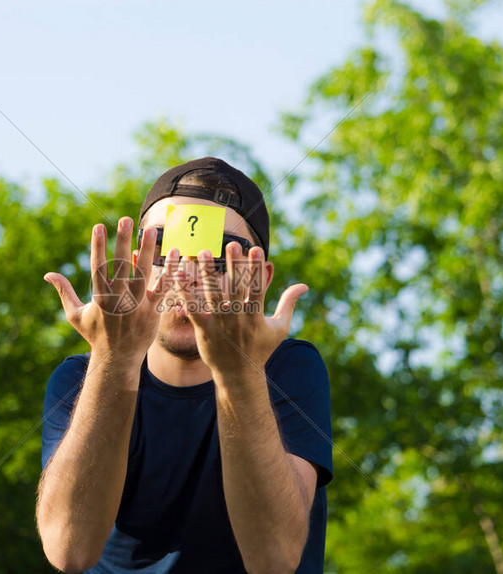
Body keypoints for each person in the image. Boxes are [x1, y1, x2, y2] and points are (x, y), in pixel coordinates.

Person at [37, 157, 333, 573]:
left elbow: (274, 558)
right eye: (162, 250)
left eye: (220, 257)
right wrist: (114, 358)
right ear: (134, 265)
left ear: (261, 280)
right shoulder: (78, 378)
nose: (188, 274)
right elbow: (69, 549)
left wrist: (237, 369)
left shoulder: (286, 370)